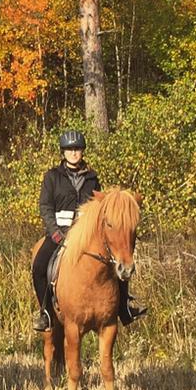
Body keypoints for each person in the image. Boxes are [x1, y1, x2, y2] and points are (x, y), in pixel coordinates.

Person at [30, 130, 145, 331]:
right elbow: (45, 207)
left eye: (78, 149)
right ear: (63, 152)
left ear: (83, 151)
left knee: (117, 264)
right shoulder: (52, 177)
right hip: (59, 234)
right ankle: (46, 313)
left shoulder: (92, 178)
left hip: (86, 235)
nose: (74, 153)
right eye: (70, 149)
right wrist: (54, 231)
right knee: (39, 266)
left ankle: (124, 308)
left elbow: (100, 208)